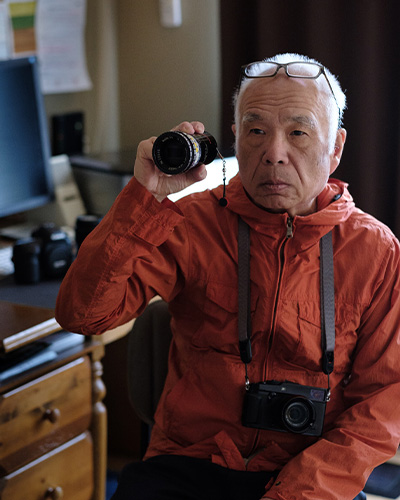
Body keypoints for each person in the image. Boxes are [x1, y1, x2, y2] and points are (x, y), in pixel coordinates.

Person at [55, 53, 400, 500]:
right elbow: (82, 316)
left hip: (310, 473)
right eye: (256, 131)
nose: (274, 154)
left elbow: (384, 400)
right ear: (236, 137)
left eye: (298, 132)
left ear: (335, 147)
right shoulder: (190, 223)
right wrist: (143, 198)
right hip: (187, 464)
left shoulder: (375, 251)